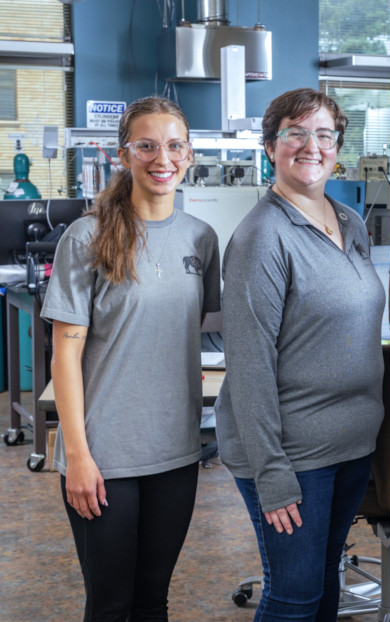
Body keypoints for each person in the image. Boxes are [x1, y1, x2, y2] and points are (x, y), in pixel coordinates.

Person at [41, 96, 221, 621]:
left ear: (188, 155)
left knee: (153, 601)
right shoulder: (87, 236)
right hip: (103, 456)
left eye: (173, 146)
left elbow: (202, 333)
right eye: (146, 146)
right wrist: (76, 455)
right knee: (111, 604)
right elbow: (65, 356)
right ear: (124, 154)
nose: (160, 158)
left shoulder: (201, 239)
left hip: (177, 450)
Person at [213, 87, 386, 621]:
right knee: (294, 596)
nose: (311, 146)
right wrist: (272, 472)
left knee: (324, 585)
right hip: (292, 453)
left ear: (338, 147)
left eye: (325, 135)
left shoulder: (349, 221)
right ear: (270, 147)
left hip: (350, 444)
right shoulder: (263, 237)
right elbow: (249, 364)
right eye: (295, 133)